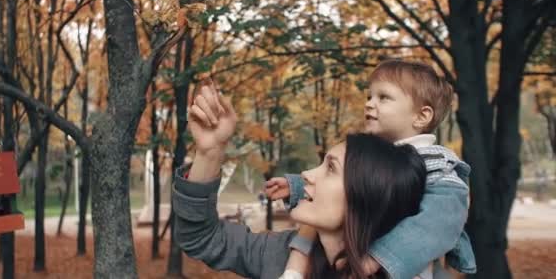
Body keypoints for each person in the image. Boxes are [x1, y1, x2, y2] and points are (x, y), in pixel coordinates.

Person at [173, 82, 427, 278]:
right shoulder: (281, 255)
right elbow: (201, 239)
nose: (306, 174)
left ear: (368, 195)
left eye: (330, 168)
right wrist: (210, 152)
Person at [266, 59, 476, 279]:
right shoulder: (374, 155)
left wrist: (380, 258)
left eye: (383, 97)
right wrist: (298, 187)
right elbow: (345, 188)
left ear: (421, 116)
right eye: (369, 96)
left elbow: (442, 220)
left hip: (406, 266)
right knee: (312, 224)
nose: (368, 103)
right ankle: (293, 271)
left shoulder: (436, 164)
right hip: (359, 252)